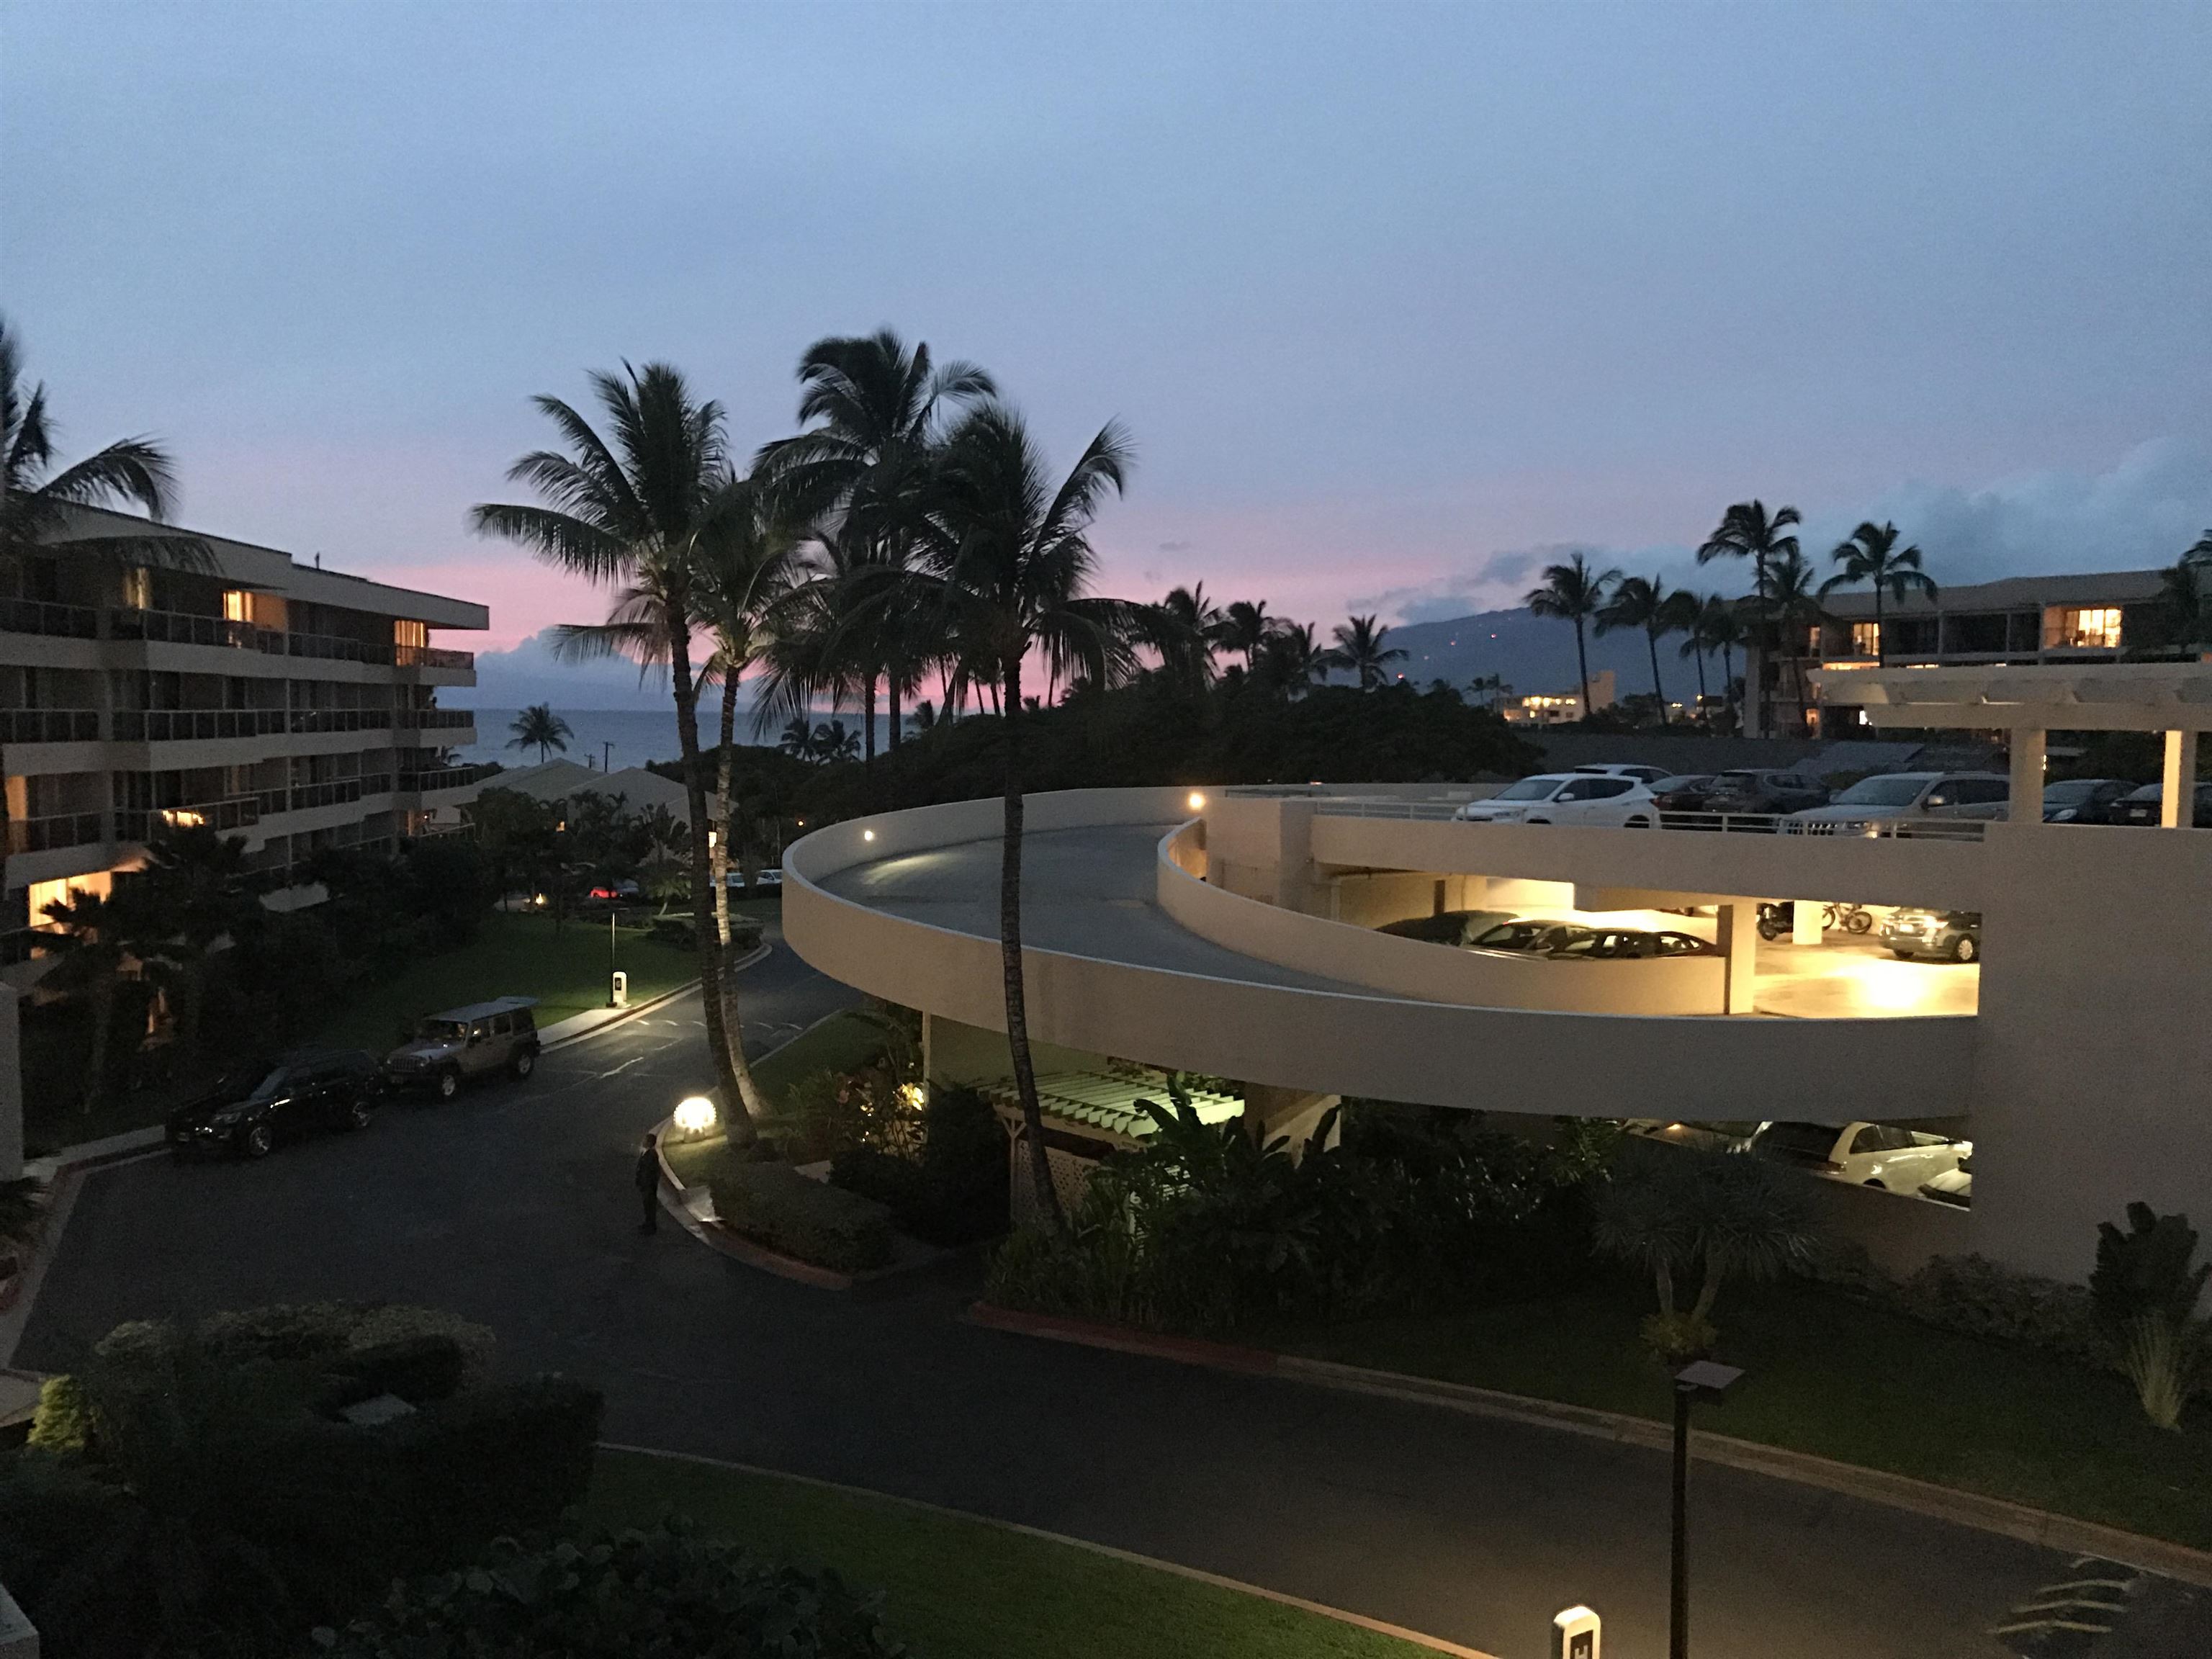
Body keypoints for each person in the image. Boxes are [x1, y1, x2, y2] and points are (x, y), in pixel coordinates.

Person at [635, 1133, 662, 1234]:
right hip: (646, 1185)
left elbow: (650, 1172)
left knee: (650, 1206)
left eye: (645, 1140)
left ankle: (650, 1226)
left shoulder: (651, 1156)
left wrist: (647, 1184)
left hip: (649, 1186)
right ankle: (648, 1223)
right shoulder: (646, 1153)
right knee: (647, 1206)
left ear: (649, 1143)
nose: (643, 1141)